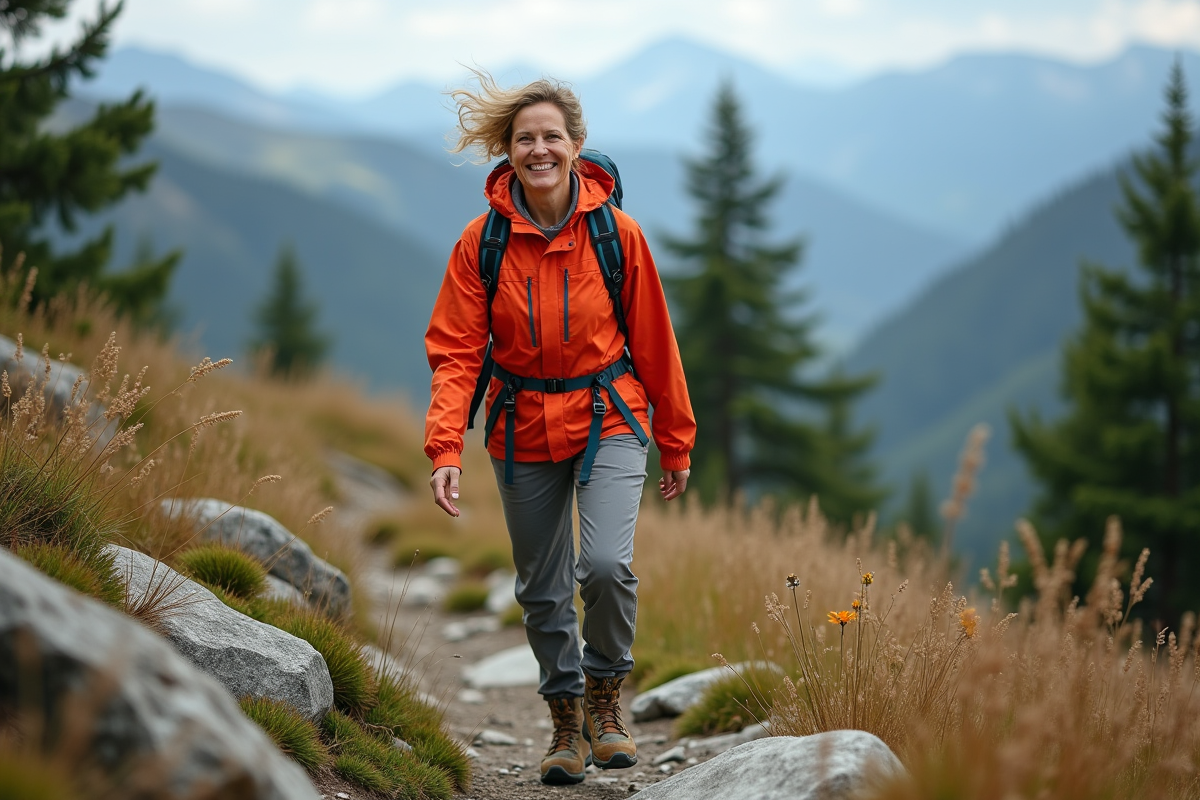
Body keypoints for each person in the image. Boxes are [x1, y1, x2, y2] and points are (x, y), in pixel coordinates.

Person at [424, 70, 696, 786]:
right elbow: (455, 354)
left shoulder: (616, 234)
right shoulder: (481, 243)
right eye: (525, 139)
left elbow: (657, 342)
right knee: (541, 588)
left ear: (576, 145)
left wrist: (675, 440)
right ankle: (566, 724)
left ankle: (608, 698)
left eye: (551, 136)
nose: (538, 149)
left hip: (610, 414)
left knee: (604, 565)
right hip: (519, 426)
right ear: (507, 152)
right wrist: (445, 446)